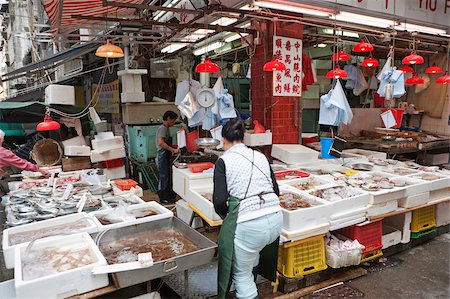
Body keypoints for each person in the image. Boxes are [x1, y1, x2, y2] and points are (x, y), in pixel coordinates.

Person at [213, 118, 282, 299]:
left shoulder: (224, 161)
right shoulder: (260, 156)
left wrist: (228, 217)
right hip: (275, 219)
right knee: (253, 252)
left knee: (241, 276)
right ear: (243, 138)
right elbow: (276, 190)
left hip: (249, 225)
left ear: (223, 140)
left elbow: (219, 200)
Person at [0, 129, 50, 195]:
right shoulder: (3, 153)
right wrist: (40, 170)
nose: (3, 141)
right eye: (2, 140)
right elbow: (22, 163)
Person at [155, 111, 180, 204]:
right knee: (163, 177)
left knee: (167, 176)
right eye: (173, 121)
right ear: (168, 118)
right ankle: (163, 197)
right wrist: (172, 150)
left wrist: (173, 147)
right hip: (162, 155)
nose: (173, 123)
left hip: (165, 154)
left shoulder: (166, 128)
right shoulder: (163, 128)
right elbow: (161, 142)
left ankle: (168, 196)